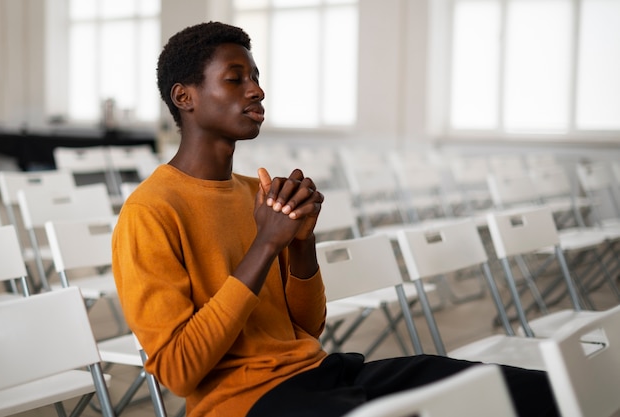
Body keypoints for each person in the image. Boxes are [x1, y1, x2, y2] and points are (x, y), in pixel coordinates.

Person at [112, 21, 559, 417]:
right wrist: (266, 245)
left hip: (323, 372)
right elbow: (179, 372)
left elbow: (305, 329)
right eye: (236, 79)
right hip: (246, 402)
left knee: (522, 390)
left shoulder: (256, 192)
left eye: (256, 78)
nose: (257, 90)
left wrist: (301, 243)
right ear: (184, 97)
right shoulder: (149, 212)